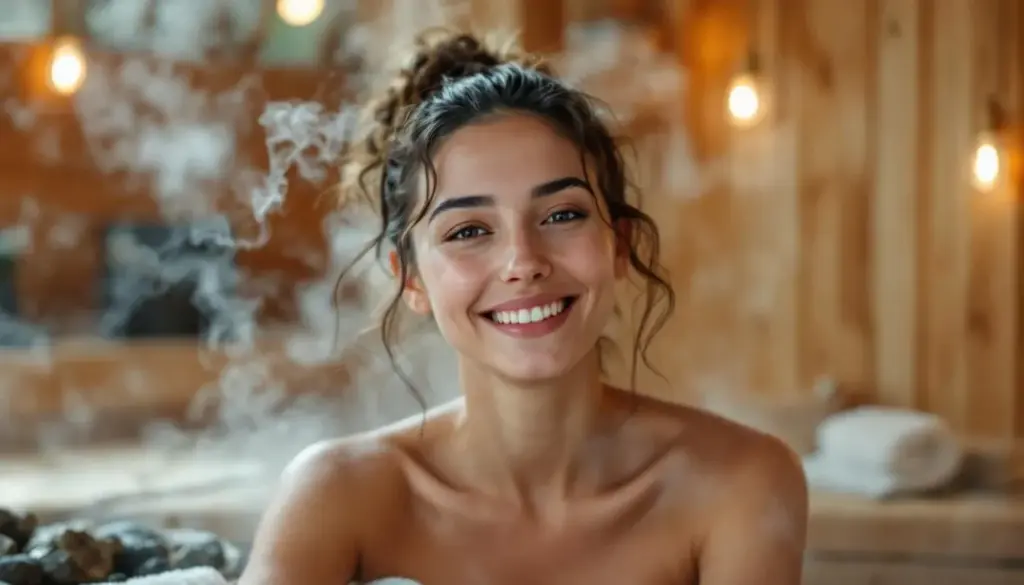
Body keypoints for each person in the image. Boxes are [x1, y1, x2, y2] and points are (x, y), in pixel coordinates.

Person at [239, 28, 808, 585]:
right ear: (410, 278)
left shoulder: (739, 484)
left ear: (621, 245)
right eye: (468, 230)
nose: (523, 261)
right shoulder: (338, 495)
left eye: (562, 215)